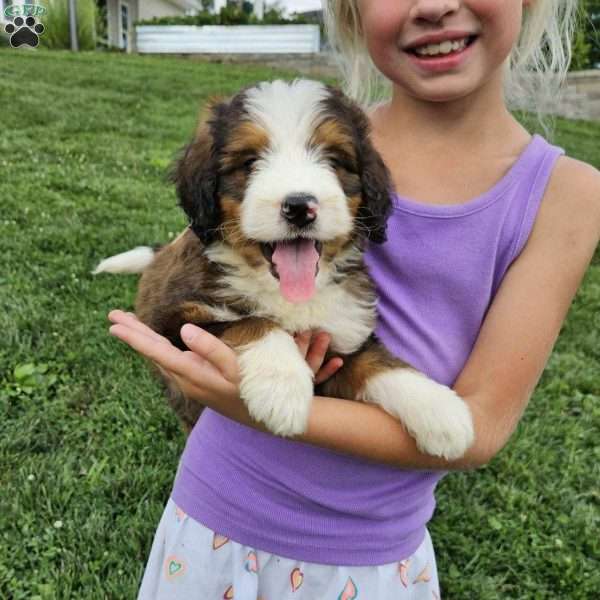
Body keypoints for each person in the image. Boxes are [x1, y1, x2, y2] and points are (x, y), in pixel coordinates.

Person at [109, 1, 600, 598]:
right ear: (351, 10)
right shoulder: (321, 119)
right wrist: (255, 350)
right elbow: (188, 277)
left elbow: (474, 429)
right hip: (219, 516)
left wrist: (270, 402)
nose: (436, 4)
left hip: (375, 556)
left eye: (334, 164)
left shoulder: (565, 195)